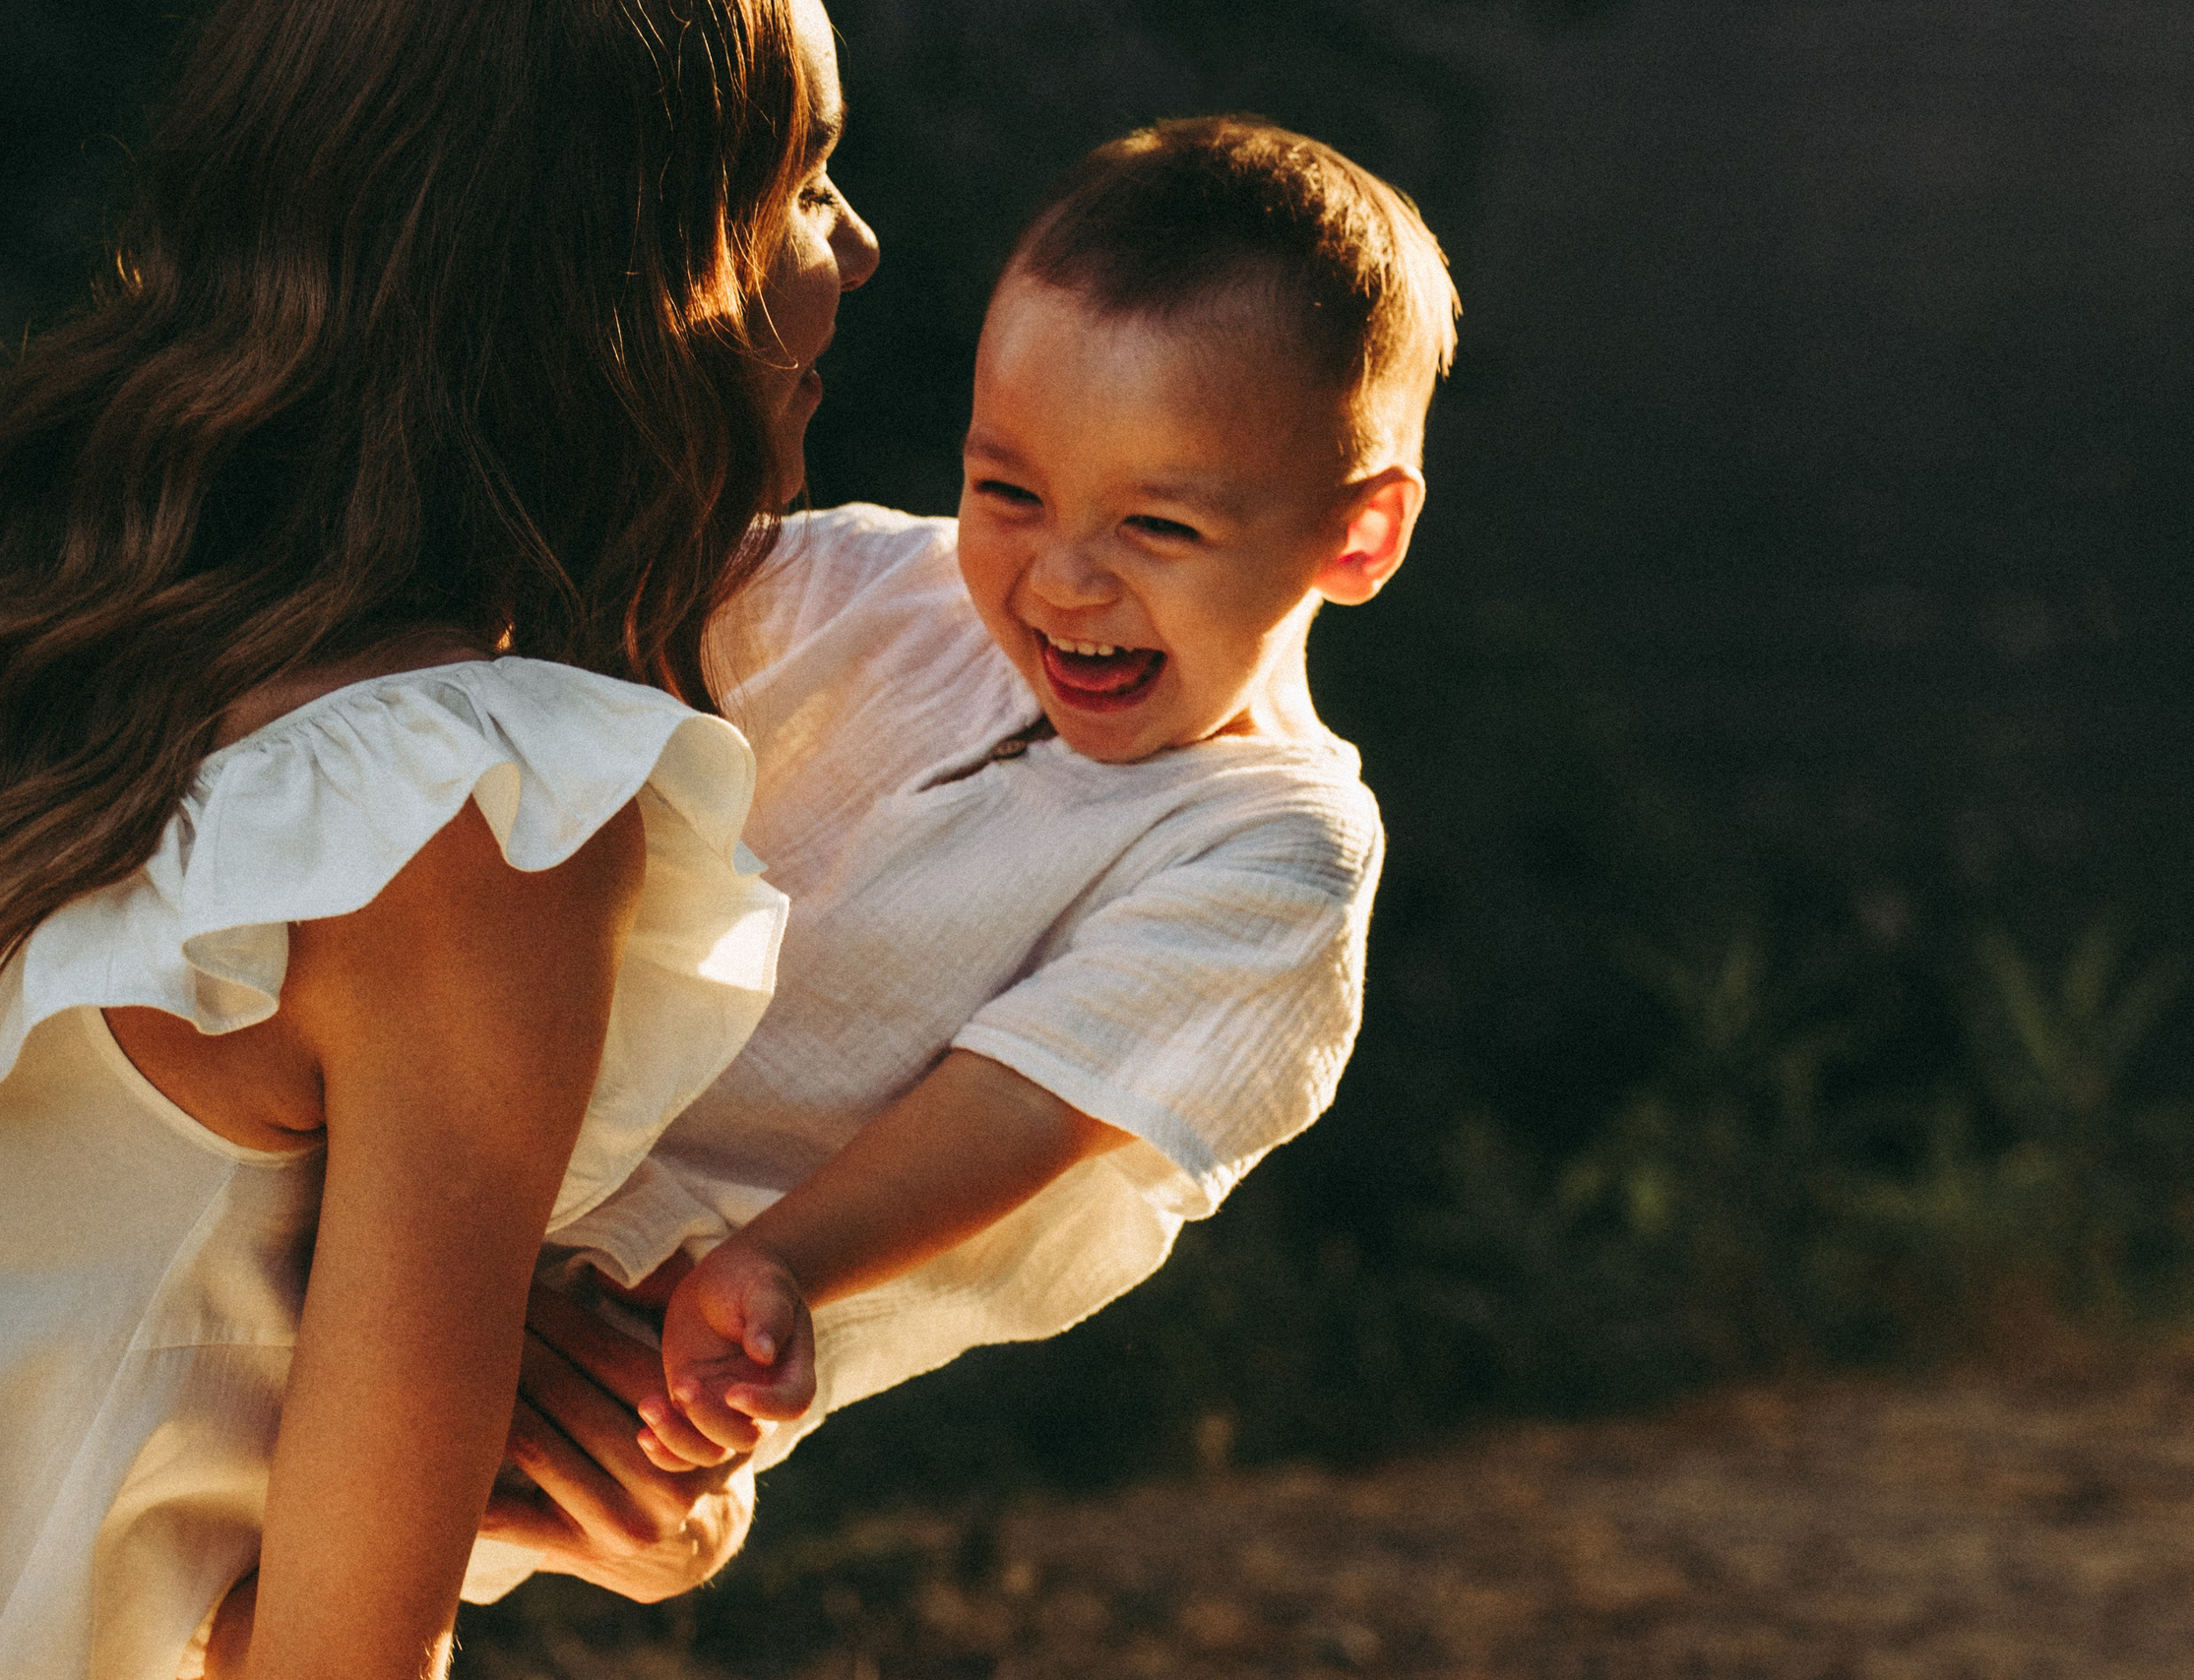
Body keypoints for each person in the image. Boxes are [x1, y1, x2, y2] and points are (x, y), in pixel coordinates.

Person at [0, 2, 875, 1677]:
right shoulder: (469, 819)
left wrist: (574, 1500)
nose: (860, 245)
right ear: (615, 263)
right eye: (803, 177)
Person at [465, 114, 1457, 1594]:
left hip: (648, 1341)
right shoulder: (875, 586)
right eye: (1010, 491)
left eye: (1160, 525)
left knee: (266, 1567)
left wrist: (781, 1264)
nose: (1062, 576)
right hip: (447, 1153)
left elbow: (1019, 1100)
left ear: (1358, 538)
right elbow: (595, 638)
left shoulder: (1271, 848)